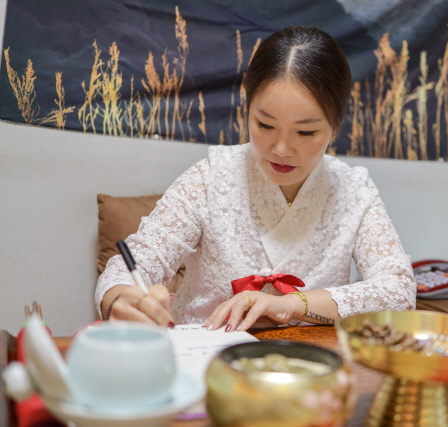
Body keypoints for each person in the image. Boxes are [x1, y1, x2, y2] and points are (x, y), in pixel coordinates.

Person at [96, 25, 416, 332]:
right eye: (264, 124)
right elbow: (133, 263)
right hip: (208, 355)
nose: (281, 149)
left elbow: (399, 291)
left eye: (306, 132)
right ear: (247, 111)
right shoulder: (212, 177)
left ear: (335, 127)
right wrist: (120, 299)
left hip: (309, 367)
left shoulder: (353, 190)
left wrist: (295, 305)